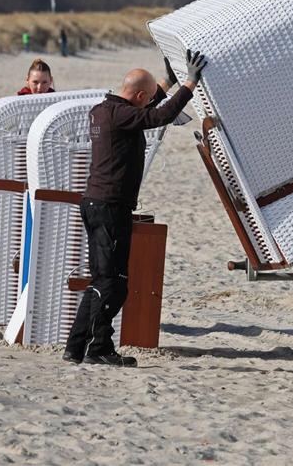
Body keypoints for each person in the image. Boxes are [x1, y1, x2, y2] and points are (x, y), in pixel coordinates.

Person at [63, 49, 207, 367]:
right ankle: (91, 348)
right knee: (110, 283)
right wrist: (189, 84)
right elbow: (158, 116)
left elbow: (149, 106)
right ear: (139, 95)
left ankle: (85, 348)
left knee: (108, 281)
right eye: (148, 96)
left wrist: (167, 80)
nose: (150, 101)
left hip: (101, 205)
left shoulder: (106, 110)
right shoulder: (120, 116)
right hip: (108, 208)